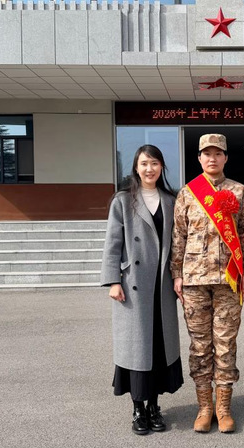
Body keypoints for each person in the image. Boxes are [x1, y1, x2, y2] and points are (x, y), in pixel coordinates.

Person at [171, 133, 244, 433]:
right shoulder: (187, 193)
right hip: (194, 279)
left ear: (225, 158)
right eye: (207, 153)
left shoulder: (239, 191)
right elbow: (178, 236)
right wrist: (177, 274)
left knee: (225, 343)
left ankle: (224, 407)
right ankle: (204, 407)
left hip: (229, 279)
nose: (212, 158)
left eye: (218, 153)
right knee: (199, 345)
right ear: (199, 158)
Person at [101, 145, 183, 435]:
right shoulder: (123, 200)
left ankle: (154, 406)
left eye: (155, 163)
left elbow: (178, 243)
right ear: (136, 167)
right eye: (144, 163)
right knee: (137, 348)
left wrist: (179, 276)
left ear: (162, 167)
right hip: (133, 284)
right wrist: (113, 280)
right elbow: (112, 243)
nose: (150, 169)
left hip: (162, 285)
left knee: (159, 346)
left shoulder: (171, 200)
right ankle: (138, 408)